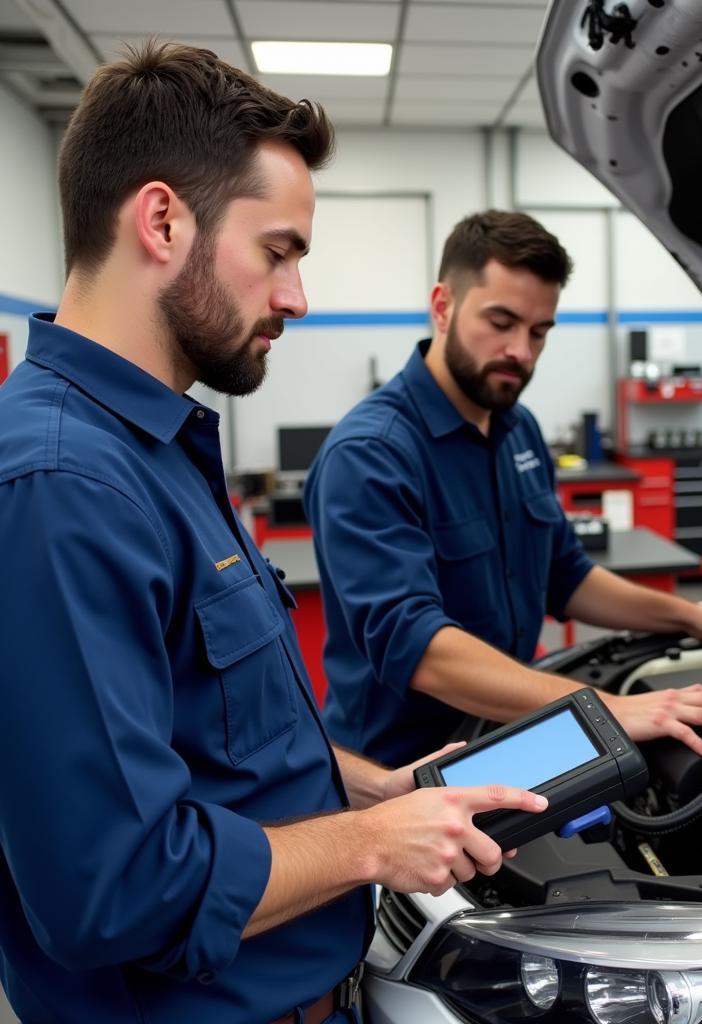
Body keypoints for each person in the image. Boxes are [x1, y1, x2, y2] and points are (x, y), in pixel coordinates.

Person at [0, 47, 546, 1024]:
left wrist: (374, 788)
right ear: (162, 220)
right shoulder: (62, 485)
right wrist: (371, 844)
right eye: (278, 251)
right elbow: (111, 886)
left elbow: (214, 733)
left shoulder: (161, 447)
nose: (295, 296)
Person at [305, 210, 702, 770]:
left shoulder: (517, 429)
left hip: (509, 739)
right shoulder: (371, 454)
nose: (521, 353)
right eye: (500, 322)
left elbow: (565, 575)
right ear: (442, 306)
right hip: (399, 775)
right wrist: (607, 710)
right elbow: (421, 653)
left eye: (538, 332)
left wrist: (692, 617)